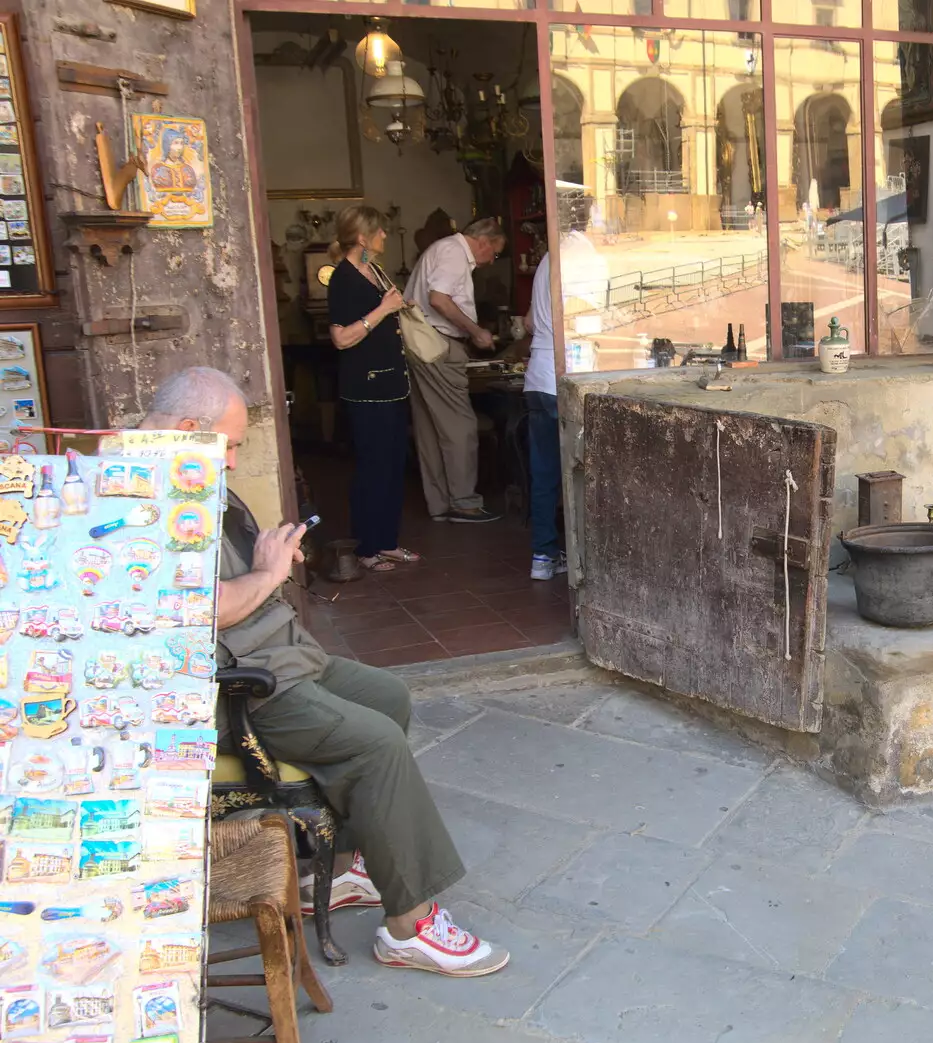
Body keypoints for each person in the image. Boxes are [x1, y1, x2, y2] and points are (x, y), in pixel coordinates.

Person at [141, 367, 509, 978]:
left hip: (278, 655)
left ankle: (341, 870)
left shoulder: (190, 474)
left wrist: (270, 557)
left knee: (387, 696)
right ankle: (409, 927)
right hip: (242, 688)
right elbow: (197, 611)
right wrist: (267, 574)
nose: (233, 461)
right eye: (230, 445)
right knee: (377, 745)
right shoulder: (142, 498)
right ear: (186, 428)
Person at [324, 205, 419, 573]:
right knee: (372, 469)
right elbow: (341, 338)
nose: (384, 236)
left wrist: (399, 307)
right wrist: (383, 309)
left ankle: (388, 542)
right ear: (362, 237)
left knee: (394, 466)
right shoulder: (343, 278)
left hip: (393, 385)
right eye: (379, 231)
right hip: (367, 389)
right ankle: (367, 547)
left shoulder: (375, 271)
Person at [524, 197, 608, 580]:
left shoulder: (547, 258)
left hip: (537, 376)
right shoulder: (583, 255)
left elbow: (528, 321)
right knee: (587, 470)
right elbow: (580, 313)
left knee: (544, 474)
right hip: (569, 373)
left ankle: (543, 557)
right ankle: (586, 559)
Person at [402, 217, 506, 524]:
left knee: (432, 429)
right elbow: (439, 299)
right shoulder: (454, 252)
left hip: (423, 345)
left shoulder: (442, 249)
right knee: (460, 426)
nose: (491, 261)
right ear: (484, 241)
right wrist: (476, 332)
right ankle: (463, 502)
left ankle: (442, 503)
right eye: (495, 253)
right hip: (438, 344)